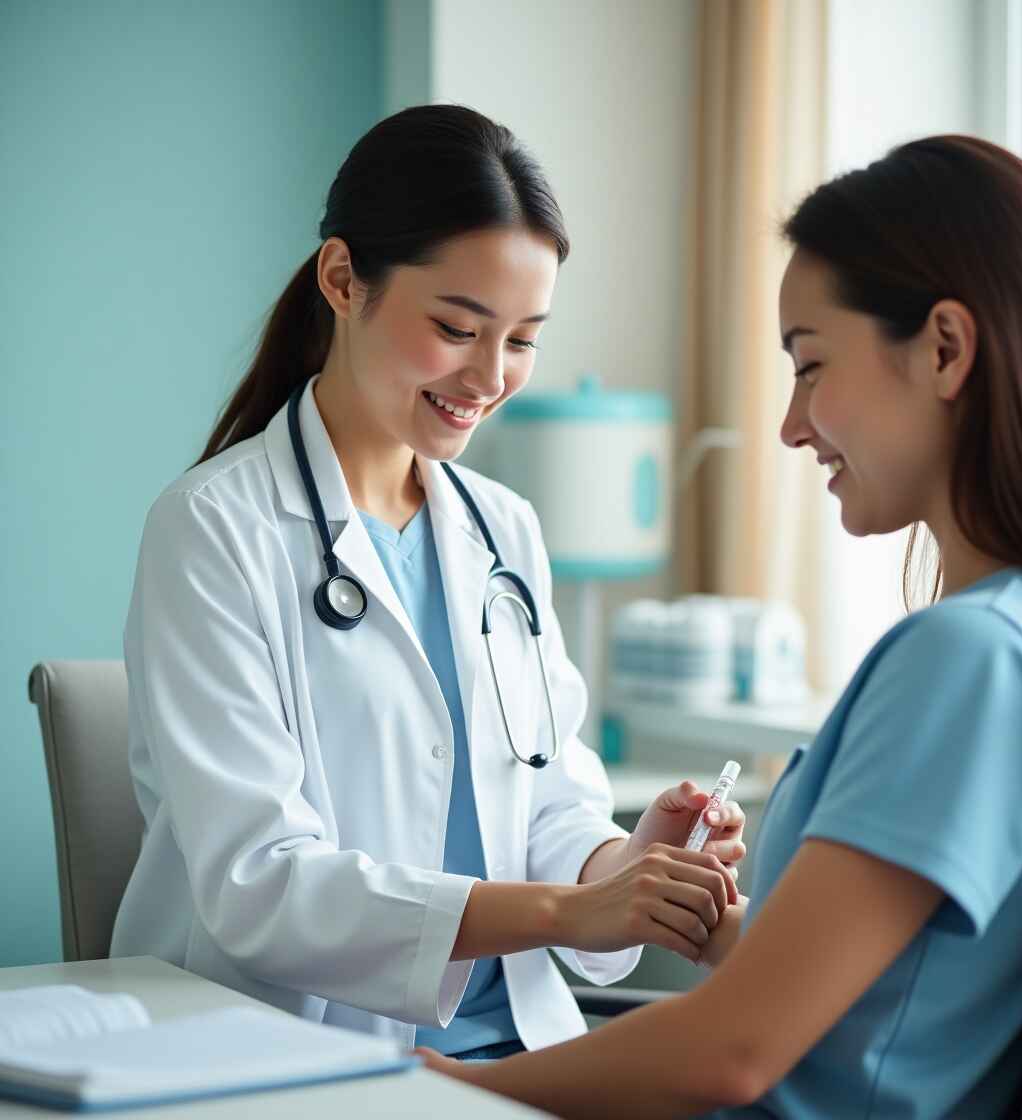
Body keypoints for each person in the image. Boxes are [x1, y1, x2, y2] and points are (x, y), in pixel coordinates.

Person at [421, 134, 1022, 1113]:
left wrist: (440, 1089)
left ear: (945, 349)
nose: (792, 425)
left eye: (810, 364)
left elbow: (732, 1051)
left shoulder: (975, 657)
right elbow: (900, 1005)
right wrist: (723, 932)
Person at [110, 104, 747, 1061]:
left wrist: (631, 860)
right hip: (293, 1054)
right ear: (342, 280)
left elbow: (545, 803)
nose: (490, 376)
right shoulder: (212, 530)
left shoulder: (504, 530)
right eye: (457, 327)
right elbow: (262, 884)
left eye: (524, 339)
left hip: (518, 1049)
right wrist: (574, 910)